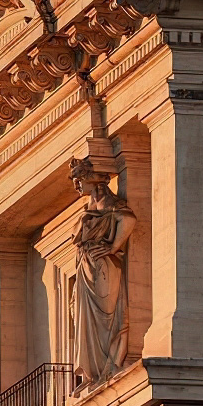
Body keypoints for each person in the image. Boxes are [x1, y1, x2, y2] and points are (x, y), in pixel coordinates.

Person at [70, 159, 136, 385]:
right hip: (86, 267)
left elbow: (128, 219)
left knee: (107, 316)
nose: (76, 184)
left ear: (91, 177)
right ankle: (95, 372)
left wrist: (113, 246)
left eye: (79, 178)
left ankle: (110, 364)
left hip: (101, 265)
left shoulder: (108, 202)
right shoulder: (91, 205)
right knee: (87, 318)